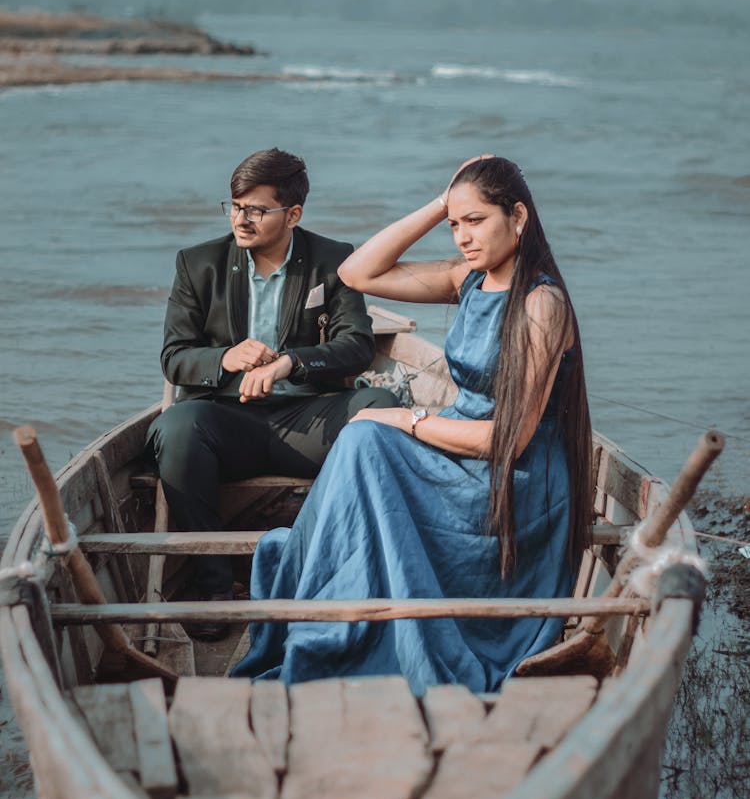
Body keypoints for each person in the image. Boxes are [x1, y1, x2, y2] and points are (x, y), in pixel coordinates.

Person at [233, 154, 593, 693]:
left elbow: (507, 441)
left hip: (509, 484)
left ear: (518, 217)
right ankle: (322, 599)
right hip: (458, 452)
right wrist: (440, 202)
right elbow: (357, 272)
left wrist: (408, 417)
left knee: (367, 437)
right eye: (455, 225)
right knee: (364, 438)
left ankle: (314, 601)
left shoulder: (542, 304)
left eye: (477, 221)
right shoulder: (467, 279)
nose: (462, 238)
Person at [146, 148, 399, 639]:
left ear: (293, 214)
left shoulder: (334, 258)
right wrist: (223, 359)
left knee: (382, 411)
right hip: (227, 421)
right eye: (235, 206)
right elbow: (175, 356)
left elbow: (358, 344)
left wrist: (293, 360)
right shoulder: (198, 264)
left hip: (308, 418)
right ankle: (213, 583)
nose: (242, 219)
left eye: (256, 209)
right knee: (176, 428)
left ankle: (333, 567)